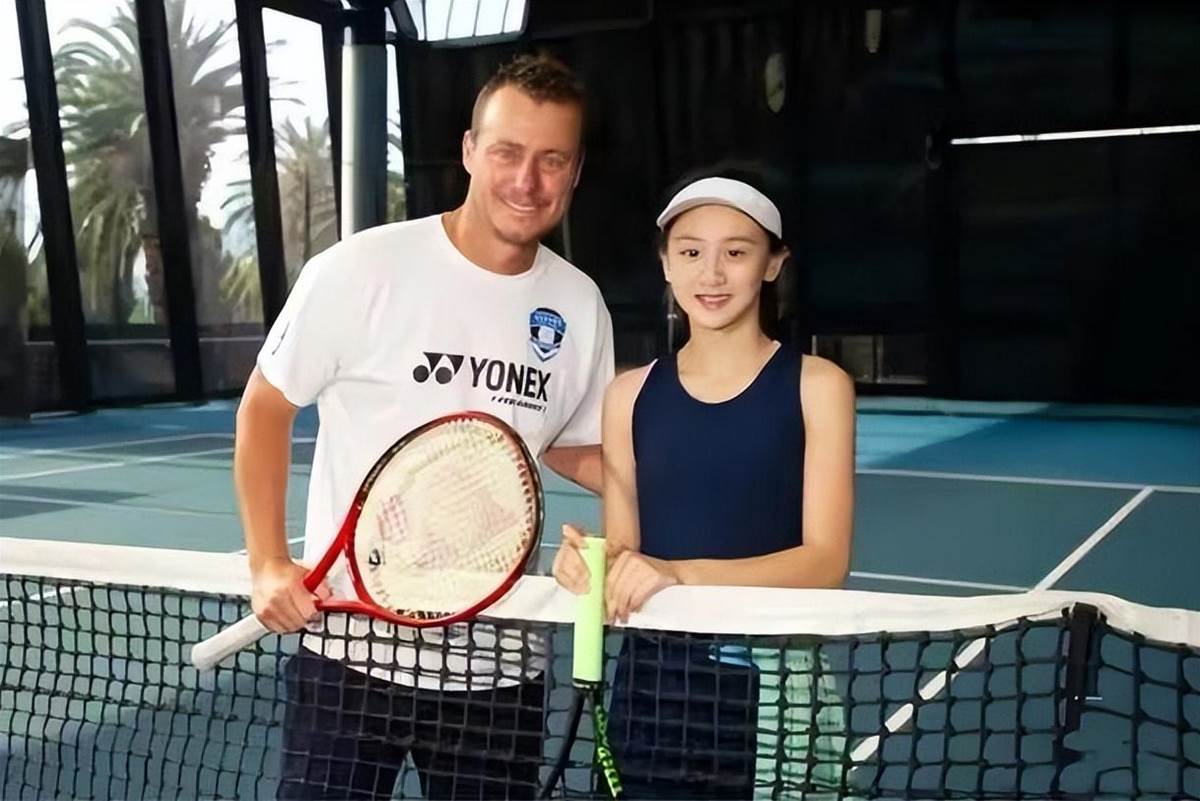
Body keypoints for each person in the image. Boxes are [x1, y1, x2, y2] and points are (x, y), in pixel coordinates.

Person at [235, 53, 613, 800]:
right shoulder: (362, 269)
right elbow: (265, 409)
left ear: (574, 172)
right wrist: (268, 562)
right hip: (350, 656)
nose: (526, 180)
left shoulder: (579, 305)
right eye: (506, 151)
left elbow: (577, 446)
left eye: (551, 160)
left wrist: (677, 498)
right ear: (469, 150)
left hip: (499, 669)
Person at [554, 170, 855, 799]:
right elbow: (630, 550)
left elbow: (824, 562)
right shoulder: (627, 396)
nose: (711, 274)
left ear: (773, 264)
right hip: (649, 688)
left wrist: (679, 574)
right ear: (666, 264)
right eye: (691, 252)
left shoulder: (819, 386)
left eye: (736, 252)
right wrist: (593, 564)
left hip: (767, 689)